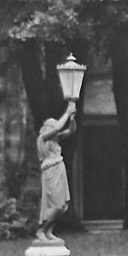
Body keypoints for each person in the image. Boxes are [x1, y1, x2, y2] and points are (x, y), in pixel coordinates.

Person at [35, 101, 78, 242]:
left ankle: (49, 231)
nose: (56, 130)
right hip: (51, 171)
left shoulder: (56, 139)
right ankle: (41, 231)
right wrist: (67, 112)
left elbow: (71, 130)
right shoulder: (43, 138)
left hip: (59, 169)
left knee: (63, 206)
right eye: (52, 127)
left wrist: (72, 118)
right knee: (57, 204)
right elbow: (59, 127)